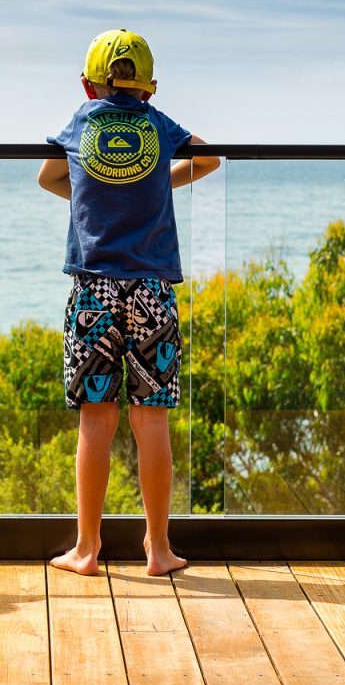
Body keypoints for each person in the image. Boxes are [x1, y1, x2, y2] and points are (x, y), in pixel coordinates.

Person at [38, 29, 219, 576]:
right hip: (152, 290)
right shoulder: (159, 125)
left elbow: (47, 176)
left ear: (89, 84)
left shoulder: (80, 121)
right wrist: (154, 183)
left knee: (96, 419)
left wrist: (101, 185)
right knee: (152, 419)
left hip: (93, 290)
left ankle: (87, 549)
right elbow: (209, 159)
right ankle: (158, 549)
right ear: (149, 86)